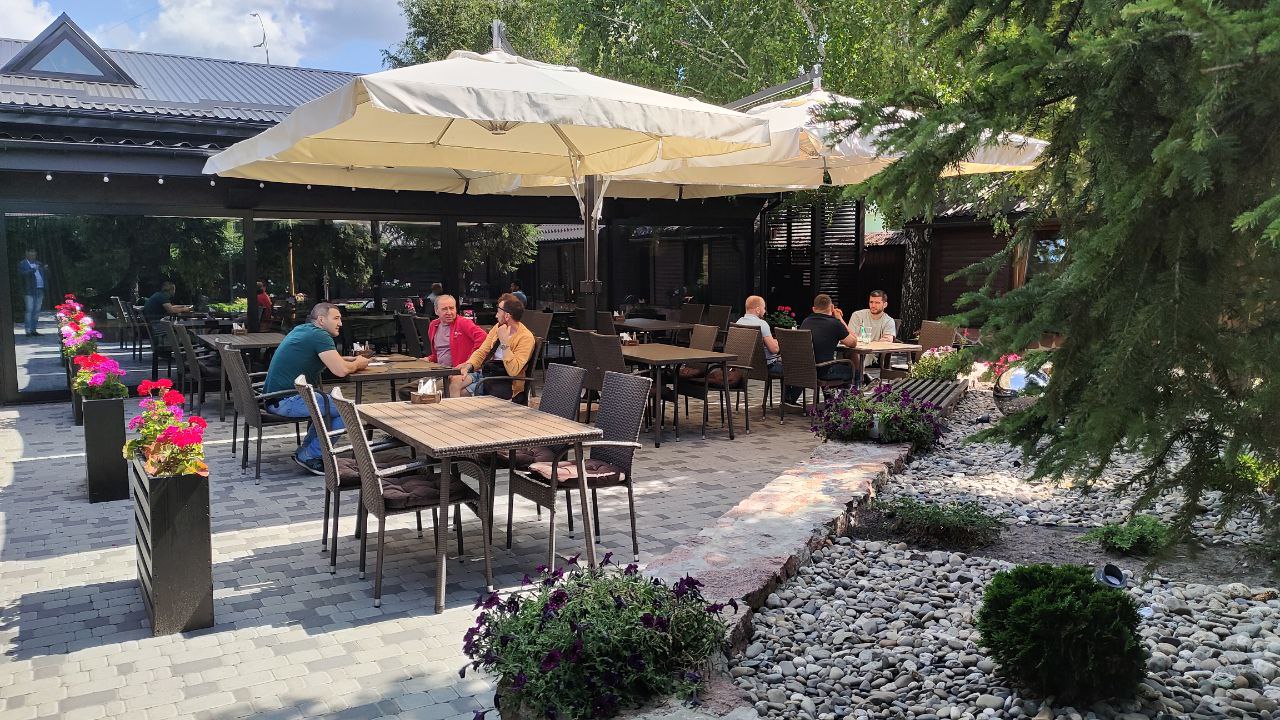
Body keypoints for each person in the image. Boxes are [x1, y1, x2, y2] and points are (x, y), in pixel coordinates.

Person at [261, 303, 371, 475]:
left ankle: (306, 452)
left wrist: (345, 359)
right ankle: (311, 454)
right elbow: (340, 371)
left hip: (275, 398)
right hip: (286, 400)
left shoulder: (303, 330)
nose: (340, 323)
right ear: (321, 320)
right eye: (336, 318)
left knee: (333, 407)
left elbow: (329, 358)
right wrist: (358, 363)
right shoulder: (320, 335)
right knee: (346, 410)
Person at [456, 295, 535, 400]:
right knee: (455, 381)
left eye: (498, 311)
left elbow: (513, 371)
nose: (496, 315)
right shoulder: (498, 327)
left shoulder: (525, 337)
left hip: (505, 381)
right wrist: (469, 365)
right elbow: (482, 351)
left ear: (507, 315)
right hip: (487, 373)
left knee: (462, 392)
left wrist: (504, 342)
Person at [786, 294, 858, 403]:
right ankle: (847, 403)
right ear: (832, 307)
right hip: (824, 370)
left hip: (807, 370)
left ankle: (830, 401)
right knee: (853, 370)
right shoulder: (835, 324)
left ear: (814, 309)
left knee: (829, 363)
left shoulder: (806, 321)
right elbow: (853, 343)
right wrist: (839, 318)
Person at [424, 294, 487, 394]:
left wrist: (470, 361)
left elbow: (483, 338)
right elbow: (438, 354)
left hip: (459, 372)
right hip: (439, 372)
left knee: (425, 392)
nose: (449, 312)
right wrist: (428, 359)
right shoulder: (433, 325)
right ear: (436, 311)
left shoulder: (463, 322)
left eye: (452, 308)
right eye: (444, 309)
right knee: (406, 390)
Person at [736, 295, 782, 378]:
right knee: (793, 369)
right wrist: (778, 342)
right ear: (757, 310)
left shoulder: (738, 322)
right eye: (764, 308)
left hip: (744, 366)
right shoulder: (762, 324)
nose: (765, 311)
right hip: (765, 366)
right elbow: (774, 349)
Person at [16, 249, 47, 336]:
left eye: (34, 254)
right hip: (29, 290)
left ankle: (34, 330)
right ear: (27, 254)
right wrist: (33, 270)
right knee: (29, 310)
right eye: (31, 254)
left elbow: (44, 275)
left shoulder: (39, 263)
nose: (33, 256)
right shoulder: (22, 264)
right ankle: (28, 331)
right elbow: (22, 274)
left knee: (37, 310)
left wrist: (45, 270)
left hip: (40, 289)